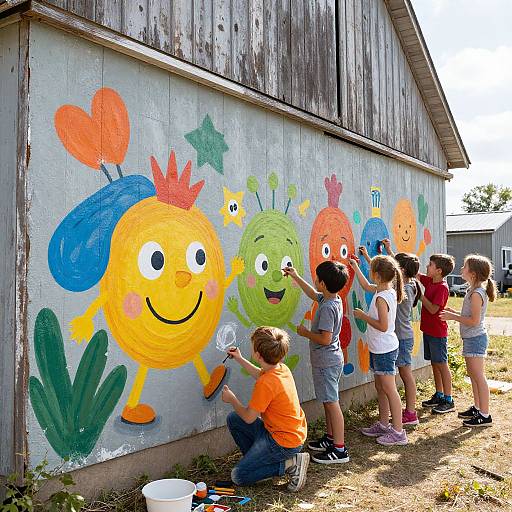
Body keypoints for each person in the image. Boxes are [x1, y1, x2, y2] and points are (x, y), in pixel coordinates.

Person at [222, 326, 309, 491]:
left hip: (283, 443)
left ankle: (290, 464)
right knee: (234, 419)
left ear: (257, 355)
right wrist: (239, 358)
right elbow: (260, 373)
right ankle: (261, 467)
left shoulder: (266, 383)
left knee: (238, 476)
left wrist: (232, 399)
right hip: (286, 434)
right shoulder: (281, 369)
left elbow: (249, 418)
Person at [283, 261, 350, 464]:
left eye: (316, 278)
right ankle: (330, 439)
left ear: (322, 283)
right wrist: (295, 275)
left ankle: (339, 449)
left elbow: (325, 339)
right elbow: (312, 293)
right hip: (329, 360)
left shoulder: (328, 307)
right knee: (328, 402)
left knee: (332, 403)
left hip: (327, 361)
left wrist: (305, 333)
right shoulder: (331, 298)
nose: (314, 281)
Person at [350, 254, 408, 446]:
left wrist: (363, 316)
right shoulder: (384, 289)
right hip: (379, 347)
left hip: (384, 349)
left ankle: (398, 431)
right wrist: (355, 267)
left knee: (389, 389)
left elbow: (382, 326)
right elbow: (367, 286)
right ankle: (384, 424)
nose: (369, 273)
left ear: (377, 275)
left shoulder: (382, 298)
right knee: (380, 387)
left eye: (370, 270)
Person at [440, 254, 496, 427]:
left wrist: (452, 317)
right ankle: (478, 408)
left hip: (476, 339)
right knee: (473, 375)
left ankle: (485, 415)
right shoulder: (473, 290)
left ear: (473, 273)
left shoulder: (477, 293)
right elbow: (470, 315)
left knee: (478, 376)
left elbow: (474, 321)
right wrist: (455, 312)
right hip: (471, 338)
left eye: (464, 266)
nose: (461, 269)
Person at [381, 240, 422, 426]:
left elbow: (392, 278)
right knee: (404, 373)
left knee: (406, 374)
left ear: (402, 271)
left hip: (403, 338)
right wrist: (390, 251)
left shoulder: (404, 290)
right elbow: (399, 268)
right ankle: (407, 411)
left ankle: (411, 413)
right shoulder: (410, 283)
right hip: (402, 336)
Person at [418, 254, 456, 414]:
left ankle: (448, 399)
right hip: (428, 330)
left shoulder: (442, 287)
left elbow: (434, 309)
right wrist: (392, 252)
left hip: (438, 333)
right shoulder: (430, 281)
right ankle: (439, 394)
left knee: (442, 364)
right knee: (434, 363)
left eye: (430, 264)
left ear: (439, 270)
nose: (427, 266)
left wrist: (420, 296)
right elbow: (415, 273)